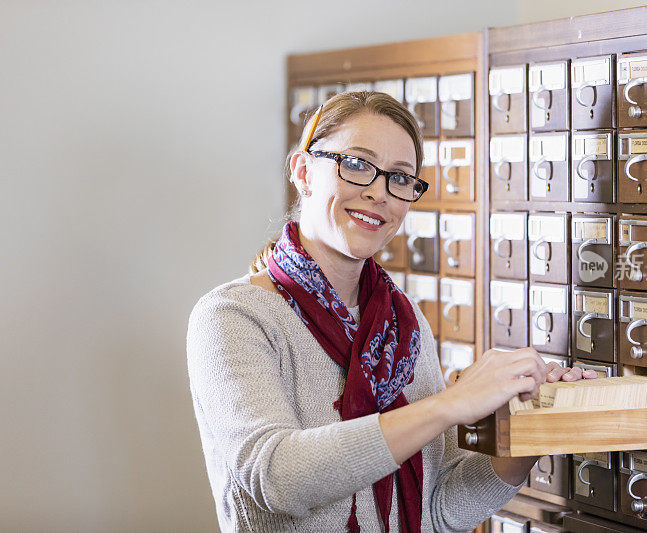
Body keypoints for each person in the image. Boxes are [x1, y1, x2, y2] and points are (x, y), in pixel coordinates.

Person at [186, 91, 595, 532]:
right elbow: (277, 477)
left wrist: (531, 429)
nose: (378, 193)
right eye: (357, 164)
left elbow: (435, 510)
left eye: (400, 178)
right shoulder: (233, 316)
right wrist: (449, 405)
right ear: (303, 172)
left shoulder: (403, 325)